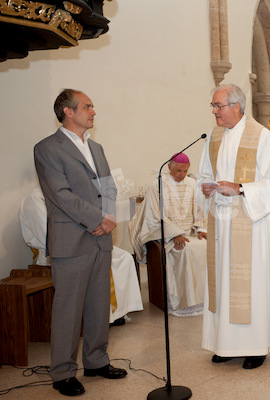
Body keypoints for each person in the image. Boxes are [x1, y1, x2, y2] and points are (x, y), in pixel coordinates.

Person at [34, 89, 127, 397]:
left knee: (98, 304)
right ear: (67, 111)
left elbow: (108, 187)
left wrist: (111, 216)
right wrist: (98, 219)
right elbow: (60, 195)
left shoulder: (96, 147)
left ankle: (97, 361)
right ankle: (62, 372)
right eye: (87, 106)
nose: (93, 111)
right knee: (68, 309)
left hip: (100, 238)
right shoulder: (47, 148)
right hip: (71, 238)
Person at [197, 83, 270, 370]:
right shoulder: (213, 136)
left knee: (251, 285)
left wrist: (241, 188)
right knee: (222, 282)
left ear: (236, 106)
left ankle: (254, 346)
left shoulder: (262, 136)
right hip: (220, 224)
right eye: (214, 106)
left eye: (218, 106)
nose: (214, 111)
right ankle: (225, 344)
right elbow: (203, 174)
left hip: (249, 221)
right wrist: (206, 187)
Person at [19, 186, 143, 326]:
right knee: (100, 260)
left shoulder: (62, 194)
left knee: (124, 257)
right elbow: (47, 236)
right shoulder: (35, 200)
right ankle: (101, 317)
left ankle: (117, 312)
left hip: (79, 243)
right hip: (56, 252)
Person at [129, 153, 206, 316]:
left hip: (189, 233)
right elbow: (154, 216)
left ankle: (202, 299)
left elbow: (199, 209)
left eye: (185, 171)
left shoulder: (192, 184)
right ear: (169, 167)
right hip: (165, 235)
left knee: (206, 246)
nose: (182, 175)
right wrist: (173, 234)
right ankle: (182, 302)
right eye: (179, 171)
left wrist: (201, 230)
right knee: (185, 250)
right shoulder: (157, 185)